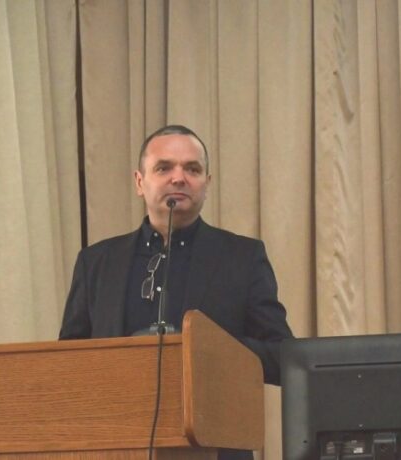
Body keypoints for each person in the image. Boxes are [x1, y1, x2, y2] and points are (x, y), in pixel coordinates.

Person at [59, 124, 293, 460]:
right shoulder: (96, 262)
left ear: (207, 184)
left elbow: (282, 358)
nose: (179, 178)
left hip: (215, 447)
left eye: (192, 169)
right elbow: (68, 364)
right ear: (140, 182)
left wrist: (209, 350)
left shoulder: (242, 257)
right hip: (116, 446)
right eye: (164, 168)